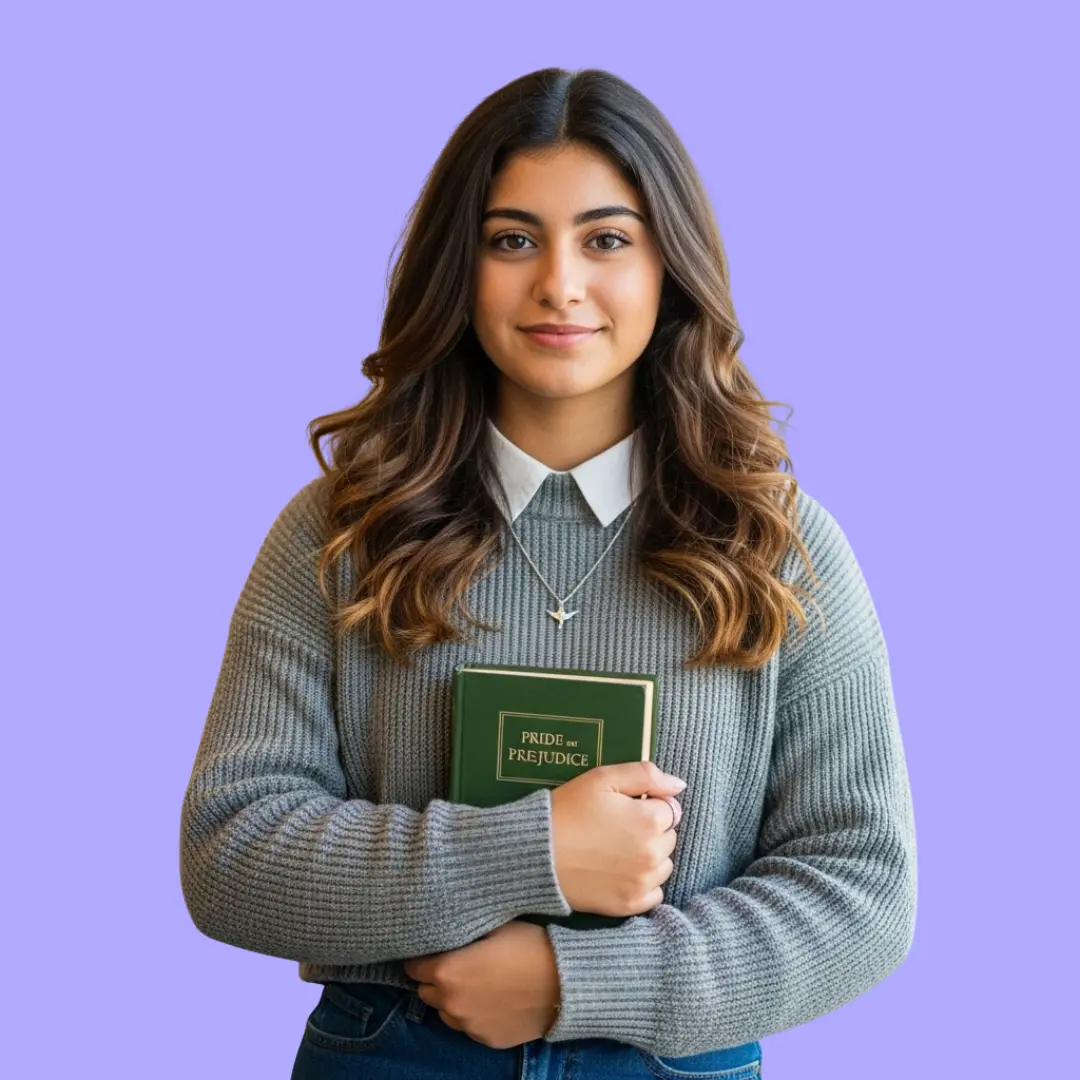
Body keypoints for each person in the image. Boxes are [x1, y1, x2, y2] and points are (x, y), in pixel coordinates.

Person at [179, 66, 917, 1080]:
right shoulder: (339, 532)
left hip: (668, 1058)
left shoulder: (781, 547)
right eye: (512, 239)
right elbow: (232, 855)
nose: (559, 284)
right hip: (391, 1054)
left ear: (670, 268)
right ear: (460, 266)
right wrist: (531, 851)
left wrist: (576, 983)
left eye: (606, 240)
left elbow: (863, 888)